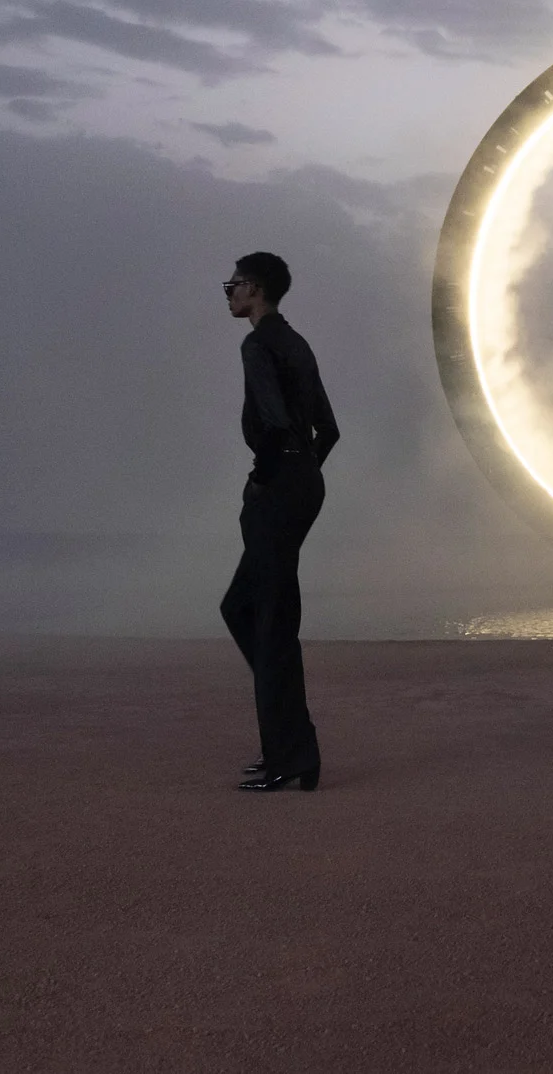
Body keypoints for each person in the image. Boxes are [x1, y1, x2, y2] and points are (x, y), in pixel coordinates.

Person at [221, 252, 340, 791]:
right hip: (305, 482)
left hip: (279, 485)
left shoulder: (259, 343)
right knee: (245, 609)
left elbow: (272, 424)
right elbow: (329, 430)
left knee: (269, 620)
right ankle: (288, 742)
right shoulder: (297, 342)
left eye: (234, 284)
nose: (228, 293)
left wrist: (264, 479)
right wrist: (300, 474)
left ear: (257, 289)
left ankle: (291, 755)